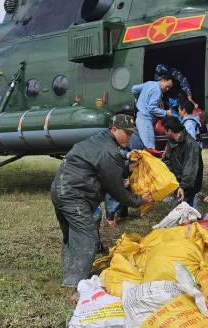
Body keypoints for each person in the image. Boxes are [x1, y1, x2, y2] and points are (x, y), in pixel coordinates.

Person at [50, 114, 152, 291]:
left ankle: (70, 276)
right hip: (74, 196)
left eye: (131, 134)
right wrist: (138, 200)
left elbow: (105, 170)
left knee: (72, 236)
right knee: (87, 237)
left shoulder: (100, 142)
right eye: (126, 133)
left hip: (60, 189)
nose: (129, 137)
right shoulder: (108, 150)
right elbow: (116, 190)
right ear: (113, 129)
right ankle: (75, 283)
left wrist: (126, 170)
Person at [162, 116, 203, 208]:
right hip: (178, 182)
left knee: (188, 209)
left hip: (189, 184)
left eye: (164, 131)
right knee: (179, 209)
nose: (163, 133)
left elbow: (190, 169)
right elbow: (166, 160)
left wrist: (183, 186)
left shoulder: (191, 144)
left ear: (169, 130)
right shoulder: (171, 142)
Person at [131, 71, 173, 149]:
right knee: (150, 149)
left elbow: (134, 89)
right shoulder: (157, 90)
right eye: (167, 86)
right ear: (163, 80)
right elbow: (152, 108)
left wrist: (140, 100)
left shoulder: (150, 83)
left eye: (169, 88)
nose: (167, 89)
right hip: (146, 120)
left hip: (139, 119)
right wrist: (166, 112)